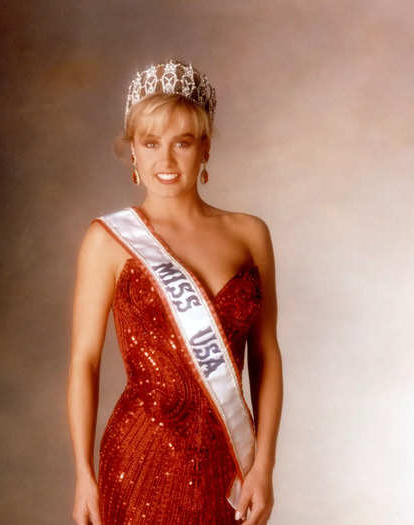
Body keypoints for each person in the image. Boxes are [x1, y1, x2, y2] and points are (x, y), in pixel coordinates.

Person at [67, 58, 283, 525]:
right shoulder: (108, 240)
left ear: (204, 149)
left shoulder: (250, 234)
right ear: (133, 153)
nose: (165, 161)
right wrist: (84, 473)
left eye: (182, 143)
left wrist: (263, 466)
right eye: (150, 144)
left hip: (225, 461)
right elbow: (84, 361)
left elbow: (266, 355)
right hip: (139, 458)